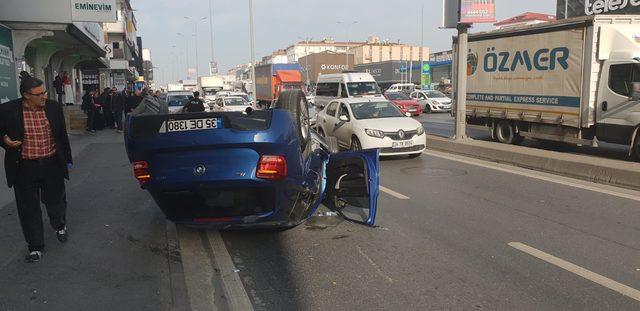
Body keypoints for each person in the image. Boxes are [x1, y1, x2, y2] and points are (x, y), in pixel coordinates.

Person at [0, 72, 73, 263]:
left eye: (45, 92)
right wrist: (4, 140)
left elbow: (62, 136)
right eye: (39, 94)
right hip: (24, 167)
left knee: (55, 201)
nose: (44, 96)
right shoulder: (8, 110)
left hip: (51, 164)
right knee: (28, 208)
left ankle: (59, 225)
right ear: (26, 95)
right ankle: (35, 246)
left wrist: (68, 160)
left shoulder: (53, 108)